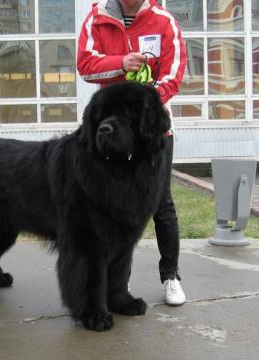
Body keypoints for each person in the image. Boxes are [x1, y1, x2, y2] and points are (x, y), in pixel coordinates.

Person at [77, 0, 187, 305]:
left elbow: (174, 71)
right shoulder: (97, 19)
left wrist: (146, 101)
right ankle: (117, 288)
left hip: (151, 132)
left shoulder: (163, 21)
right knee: (110, 208)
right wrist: (122, 63)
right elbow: (85, 64)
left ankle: (171, 276)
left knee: (161, 203)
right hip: (111, 136)